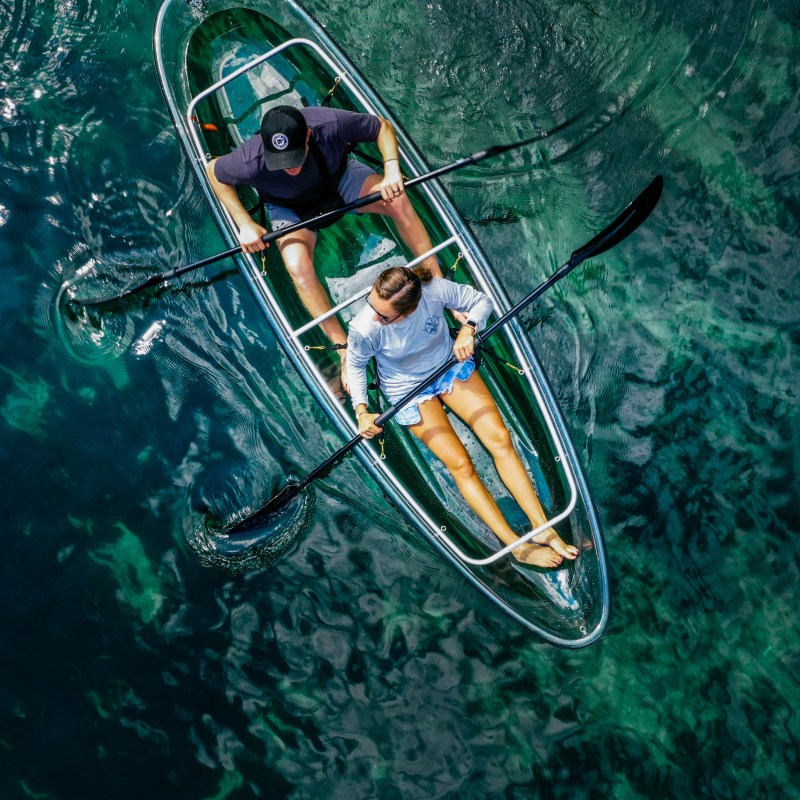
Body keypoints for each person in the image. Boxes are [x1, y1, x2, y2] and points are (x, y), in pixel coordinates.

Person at [346, 266, 579, 568]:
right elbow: (355, 366)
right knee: (460, 464)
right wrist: (362, 411)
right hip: (408, 389)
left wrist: (469, 328)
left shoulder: (434, 291)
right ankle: (516, 546)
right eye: (373, 306)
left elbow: (482, 301)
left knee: (499, 438)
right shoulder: (365, 327)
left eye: (384, 315)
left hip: (449, 365)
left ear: (411, 309)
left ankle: (543, 528)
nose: (375, 316)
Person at [206, 104, 442, 390]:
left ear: (308, 135)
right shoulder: (249, 159)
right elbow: (213, 171)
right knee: (296, 265)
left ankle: (438, 284)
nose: (291, 167)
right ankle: (343, 349)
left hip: (341, 180)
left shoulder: (328, 123)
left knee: (398, 200)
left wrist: (392, 169)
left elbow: (381, 127)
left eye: (294, 157)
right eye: (281, 160)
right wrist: (244, 223)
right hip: (290, 209)